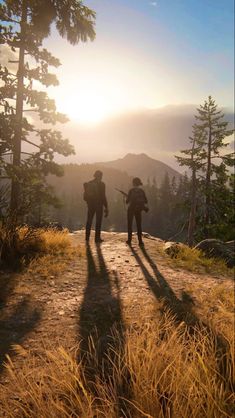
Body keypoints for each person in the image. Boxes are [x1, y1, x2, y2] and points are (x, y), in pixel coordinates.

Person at [84, 170, 108, 243]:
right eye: (101, 176)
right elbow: (103, 196)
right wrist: (106, 207)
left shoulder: (89, 183)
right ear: (100, 176)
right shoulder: (102, 184)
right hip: (99, 205)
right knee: (98, 221)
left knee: (89, 220)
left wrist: (89, 203)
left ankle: (87, 237)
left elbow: (85, 197)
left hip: (91, 205)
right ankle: (97, 238)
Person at [126, 177, 148, 246]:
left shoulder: (131, 191)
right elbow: (146, 201)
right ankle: (140, 241)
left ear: (133, 183)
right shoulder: (142, 191)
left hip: (131, 209)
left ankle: (129, 240)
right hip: (138, 210)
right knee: (139, 225)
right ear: (139, 184)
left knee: (130, 225)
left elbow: (127, 202)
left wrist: (126, 198)